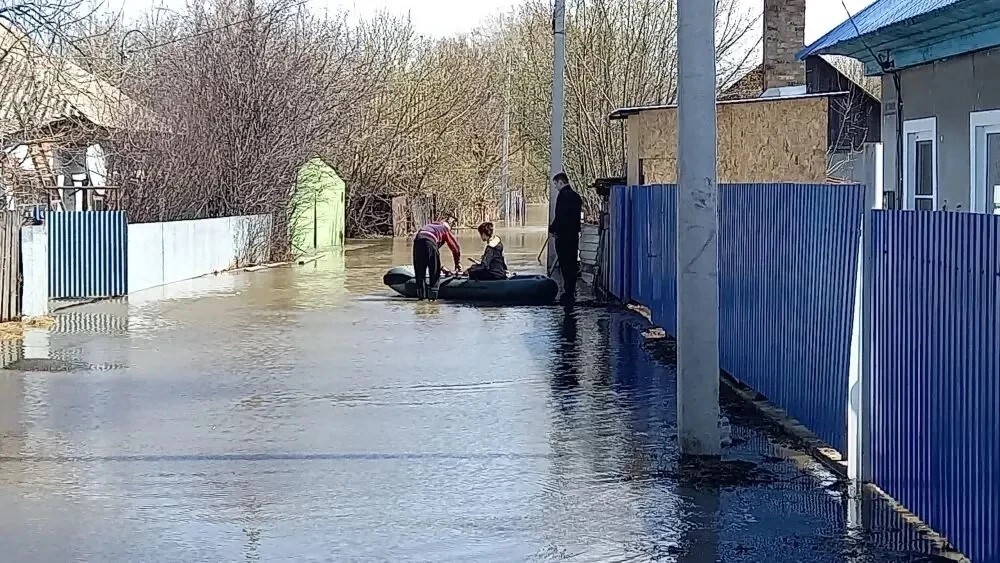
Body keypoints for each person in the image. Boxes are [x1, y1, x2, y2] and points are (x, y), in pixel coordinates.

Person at [548, 172, 583, 305]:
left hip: (563, 237)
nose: (555, 187)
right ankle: (571, 290)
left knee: (565, 264)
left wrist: (552, 229)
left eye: (556, 184)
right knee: (572, 264)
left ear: (561, 182)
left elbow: (560, 217)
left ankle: (567, 293)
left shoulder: (562, 196)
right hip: (573, 236)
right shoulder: (576, 197)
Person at [412, 217, 461, 300]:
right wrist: (457, 264)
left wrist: (440, 266)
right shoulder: (444, 229)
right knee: (434, 273)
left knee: (419, 272)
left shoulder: (430, 226)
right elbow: (455, 248)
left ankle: (420, 299)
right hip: (430, 241)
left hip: (417, 242)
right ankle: (432, 300)